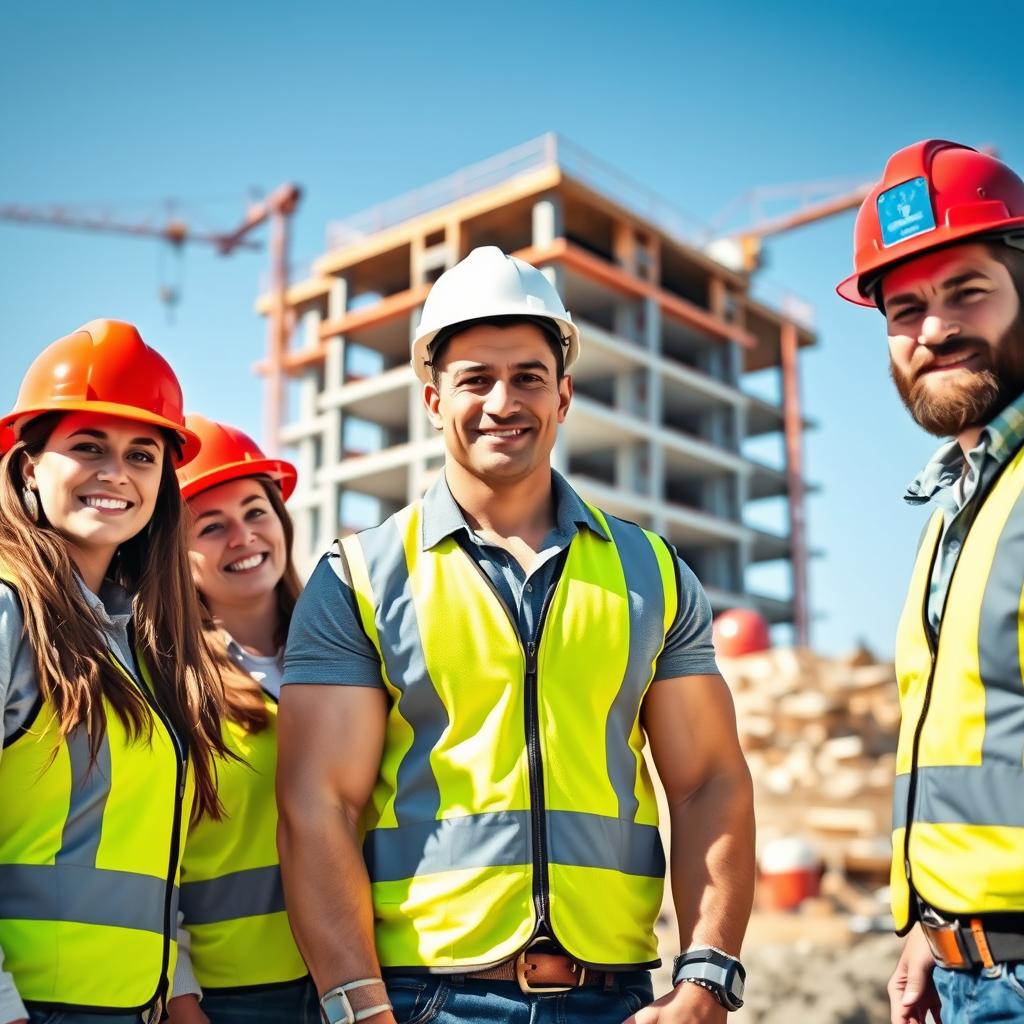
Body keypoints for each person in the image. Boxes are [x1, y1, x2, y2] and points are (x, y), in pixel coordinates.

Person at [277, 246, 756, 1024]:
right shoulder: (360, 578)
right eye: (475, 380)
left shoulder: (654, 573)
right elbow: (317, 804)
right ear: (432, 399)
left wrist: (706, 978)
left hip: (617, 995)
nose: (504, 401)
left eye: (528, 377)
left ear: (563, 395)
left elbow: (709, 781)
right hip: (426, 999)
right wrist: (358, 1007)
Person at [837, 140, 1024, 1023]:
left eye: (968, 292)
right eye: (903, 308)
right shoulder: (957, 507)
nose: (933, 330)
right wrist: (929, 923)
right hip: (963, 969)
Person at [0, 320, 229, 1024]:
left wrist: (177, 989)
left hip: (134, 1007)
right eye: (88, 448)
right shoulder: (9, 610)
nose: (116, 474)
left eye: (142, 455)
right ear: (30, 466)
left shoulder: (137, 641)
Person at [167, 415, 317, 1023]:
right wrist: (181, 1001)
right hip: (234, 998)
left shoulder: (353, 655)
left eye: (255, 511)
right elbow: (145, 865)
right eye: (211, 525)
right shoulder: (165, 684)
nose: (243, 536)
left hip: (364, 975)